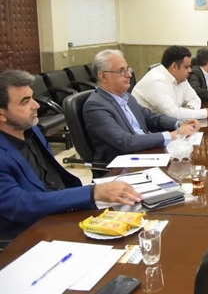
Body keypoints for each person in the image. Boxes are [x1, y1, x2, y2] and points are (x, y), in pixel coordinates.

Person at [0, 70, 143, 240]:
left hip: (62, 212)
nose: (36, 105)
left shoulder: (32, 130)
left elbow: (55, 180)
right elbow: (19, 205)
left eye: (32, 97)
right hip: (29, 233)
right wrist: (92, 193)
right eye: (25, 102)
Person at [84, 50, 199, 165]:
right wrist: (171, 135)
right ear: (103, 76)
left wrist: (179, 123)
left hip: (146, 153)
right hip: (123, 165)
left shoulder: (126, 97)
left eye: (128, 69)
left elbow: (150, 117)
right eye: (121, 71)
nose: (129, 75)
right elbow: (126, 141)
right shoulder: (95, 106)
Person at [132, 46, 208, 119]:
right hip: (148, 131)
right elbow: (172, 114)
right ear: (174, 67)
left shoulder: (181, 78)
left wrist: (188, 109)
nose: (190, 70)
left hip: (168, 126)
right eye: (186, 67)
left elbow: (195, 98)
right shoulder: (156, 80)